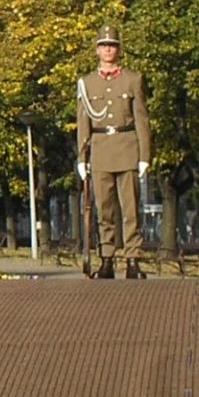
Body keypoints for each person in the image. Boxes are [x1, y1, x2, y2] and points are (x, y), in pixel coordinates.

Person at [76, 25, 152, 279]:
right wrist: (81, 157)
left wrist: (144, 155)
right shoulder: (86, 83)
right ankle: (106, 258)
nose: (108, 49)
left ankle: (133, 259)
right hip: (100, 150)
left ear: (118, 49)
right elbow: (83, 123)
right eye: (104, 45)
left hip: (127, 144)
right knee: (104, 210)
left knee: (131, 210)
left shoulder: (133, 79)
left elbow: (142, 119)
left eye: (112, 45)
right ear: (97, 50)